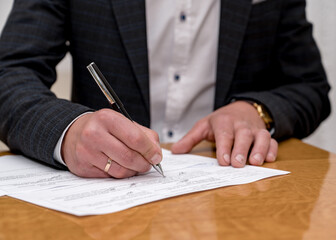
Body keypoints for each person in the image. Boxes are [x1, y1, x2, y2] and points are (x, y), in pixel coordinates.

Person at [0, 0, 330, 179]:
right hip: (106, 197)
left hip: (232, 187)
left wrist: (255, 109)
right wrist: (69, 131)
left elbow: (310, 86)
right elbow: (9, 72)